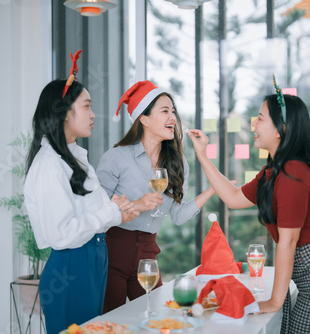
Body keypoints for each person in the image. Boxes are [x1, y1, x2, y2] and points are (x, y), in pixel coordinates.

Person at [187, 81, 310, 333]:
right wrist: (203, 156)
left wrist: (275, 301)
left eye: (260, 119)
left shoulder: (292, 172)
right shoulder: (274, 170)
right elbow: (234, 198)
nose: (253, 125)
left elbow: (288, 242)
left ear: (281, 128)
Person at [23, 51, 139, 334]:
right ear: (63, 112)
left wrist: (116, 210)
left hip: (92, 260)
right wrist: (111, 211)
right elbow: (63, 234)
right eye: (86, 106)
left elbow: (89, 213)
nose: (93, 114)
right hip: (71, 267)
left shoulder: (74, 156)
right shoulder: (49, 165)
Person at [96, 80, 215, 313]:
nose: (172, 117)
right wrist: (137, 205)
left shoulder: (177, 162)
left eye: (173, 111)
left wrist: (212, 190)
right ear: (144, 119)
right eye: (165, 111)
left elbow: (178, 216)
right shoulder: (116, 158)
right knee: (112, 323)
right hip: (113, 253)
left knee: (156, 319)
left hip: (148, 255)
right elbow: (97, 209)